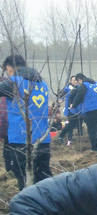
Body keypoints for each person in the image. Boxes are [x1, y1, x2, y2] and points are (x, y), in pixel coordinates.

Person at [0, 54, 52, 190]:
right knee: (44, 179)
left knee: (26, 182)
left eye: (8, 71)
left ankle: (31, 209)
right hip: (43, 140)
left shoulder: (14, 83)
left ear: (10, 68)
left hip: (21, 140)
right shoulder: (42, 83)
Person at [70, 73, 97, 151]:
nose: (78, 84)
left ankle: (94, 148)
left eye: (78, 82)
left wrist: (73, 105)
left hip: (92, 109)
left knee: (92, 129)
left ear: (80, 80)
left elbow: (79, 96)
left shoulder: (84, 85)